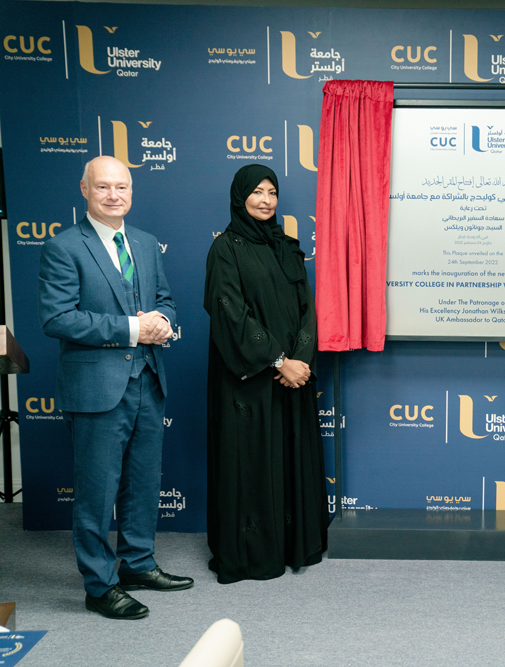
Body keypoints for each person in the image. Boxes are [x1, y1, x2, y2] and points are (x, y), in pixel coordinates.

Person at [38, 155, 191, 620]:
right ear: (84, 190)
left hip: (148, 380)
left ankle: (138, 564)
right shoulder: (65, 246)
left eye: (121, 187)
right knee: (97, 492)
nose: (113, 195)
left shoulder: (144, 243)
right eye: (102, 187)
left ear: (131, 191)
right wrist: (132, 329)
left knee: (143, 484)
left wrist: (163, 321)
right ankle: (99, 585)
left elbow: (163, 299)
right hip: (96, 388)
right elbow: (57, 318)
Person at [204, 164, 328, 584]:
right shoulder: (226, 249)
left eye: (272, 192)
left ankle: (295, 544)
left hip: (294, 378)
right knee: (252, 464)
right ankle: (255, 553)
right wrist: (278, 361)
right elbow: (229, 314)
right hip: (250, 385)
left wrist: (301, 360)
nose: (265, 200)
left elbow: (308, 309)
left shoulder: (287, 245)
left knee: (290, 459)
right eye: (256, 192)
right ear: (240, 196)